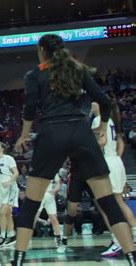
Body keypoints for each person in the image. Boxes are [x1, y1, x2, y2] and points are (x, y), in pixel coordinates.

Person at [12, 34, 135, 265]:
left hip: (51, 133)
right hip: (80, 132)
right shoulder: (78, 70)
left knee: (31, 203)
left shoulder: (35, 75)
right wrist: (101, 127)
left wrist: (24, 135)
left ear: (41, 50)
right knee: (108, 201)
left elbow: (29, 110)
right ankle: (131, 257)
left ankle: (17, 260)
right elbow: (104, 100)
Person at [90, 101, 136, 257]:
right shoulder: (112, 121)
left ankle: (117, 241)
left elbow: (101, 142)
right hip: (116, 161)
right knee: (118, 202)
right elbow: (120, 143)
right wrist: (115, 158)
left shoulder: (98, 120)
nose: (91, 104)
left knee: (105, 206)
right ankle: (133, 235)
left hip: (107, 163)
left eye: (94, 102)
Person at [34, 172, 62, 247]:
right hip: (39, 195)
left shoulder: (53, 171)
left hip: (49, 196)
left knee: (53, 218)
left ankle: (58, 238)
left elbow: (59, 183)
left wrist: (54, 190)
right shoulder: (37, 169)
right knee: (35, 217)